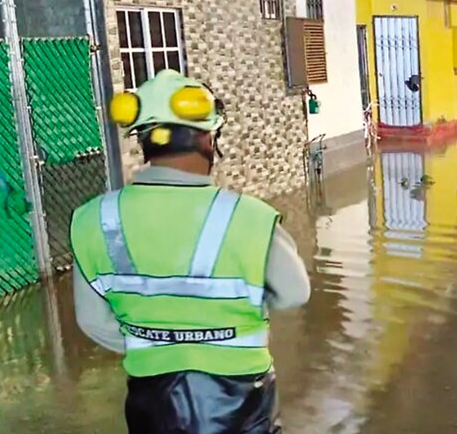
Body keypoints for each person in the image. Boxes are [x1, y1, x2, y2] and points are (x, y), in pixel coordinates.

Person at [69, 69, 311, 433]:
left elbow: (93, 321)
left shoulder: (93, 219)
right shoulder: (248, 217)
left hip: (152, 400)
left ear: (145, 142)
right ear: (208, 140)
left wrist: (157, 344)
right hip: (241, 398)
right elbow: (295, 292)